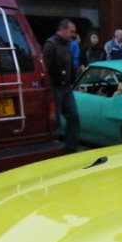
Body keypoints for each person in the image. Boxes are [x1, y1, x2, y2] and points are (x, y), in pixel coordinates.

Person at [42, 19, 80, 154]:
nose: (73, 35)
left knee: (74, 117)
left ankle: (70, 149)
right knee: (56, 121)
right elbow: (45, 68)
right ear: (62, 29)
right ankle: (55, 149)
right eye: (71, 31)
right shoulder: (51, 45)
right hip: (55, 88)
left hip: (66, 87)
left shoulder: (68, 45)